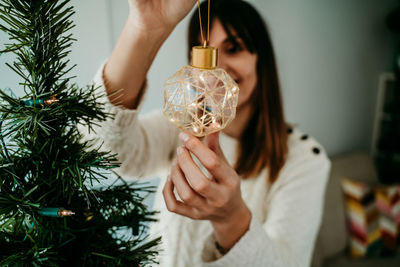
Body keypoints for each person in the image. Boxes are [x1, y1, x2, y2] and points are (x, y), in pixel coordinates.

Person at [87, 0, 331, 266]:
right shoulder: (179, 127)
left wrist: (231, 219)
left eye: (233, 48)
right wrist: (142, 29)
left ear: (261, 59)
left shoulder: (305, 160)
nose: (217, 68)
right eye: (205, 51)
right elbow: (104, 150)